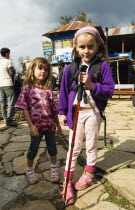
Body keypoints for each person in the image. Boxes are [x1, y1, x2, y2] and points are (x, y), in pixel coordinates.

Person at [58, 26, 114, 205]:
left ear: (98, 45)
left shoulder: (103, 66)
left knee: (91, 145)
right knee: (73, 148)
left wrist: (91, 85)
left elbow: (109, 90)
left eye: (90, 46)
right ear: (76, 47)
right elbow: (64, 91)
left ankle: (89, 174)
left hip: (93, 112)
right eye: (82, 47)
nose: (86, 51)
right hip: (75, 113)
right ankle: (67, 183)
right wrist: (61, 112)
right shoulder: (70, 68)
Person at [14, 57, 62, 185]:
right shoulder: (28, 89)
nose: (43, 71)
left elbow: (53, 110)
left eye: (46, 69)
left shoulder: (48, 90)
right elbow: (24, 108)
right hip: (36, 127)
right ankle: (29, 169)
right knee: (33, 149)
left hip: (50, 126)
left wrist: (58, 126)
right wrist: (30, 125)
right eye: (40, 68)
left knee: (52, 148)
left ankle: (54, 167)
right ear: (32, 70)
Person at [0, 47, 17, 127]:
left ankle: (4, 119)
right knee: (11, 101)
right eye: (9, 53)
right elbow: (11, 73)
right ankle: (9, 119)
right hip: (8, 83)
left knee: (2, 101)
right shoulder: (8, 62)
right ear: (7, 54)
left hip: (0, 84)